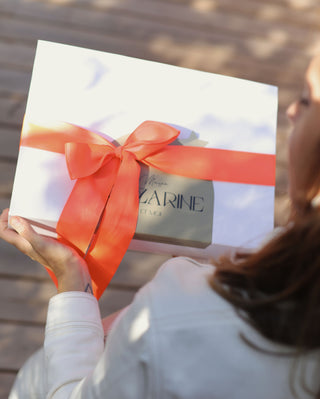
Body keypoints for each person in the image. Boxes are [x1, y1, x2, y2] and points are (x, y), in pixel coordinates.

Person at [2, 55, 320, 399]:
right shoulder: (283, 256)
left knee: (37, 376)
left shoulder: (177, 315)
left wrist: (70, 279)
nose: (291, 111)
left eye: (306, 99)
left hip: (89, 368)